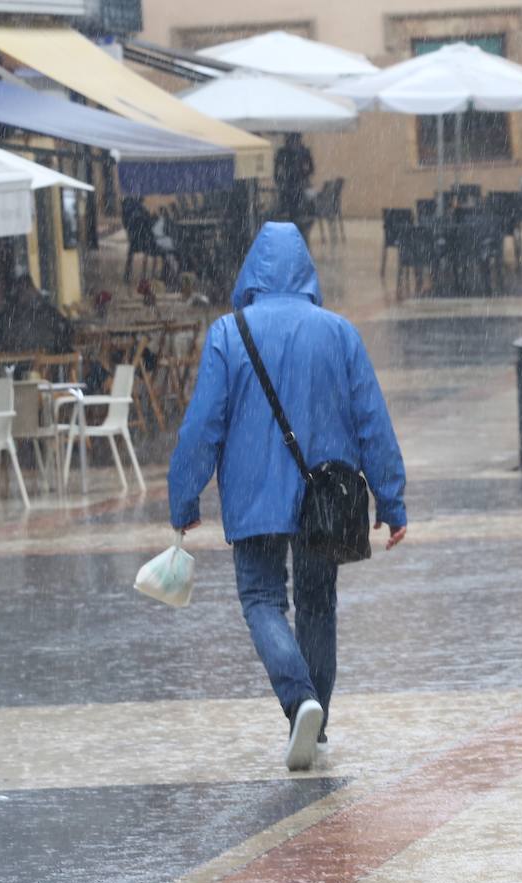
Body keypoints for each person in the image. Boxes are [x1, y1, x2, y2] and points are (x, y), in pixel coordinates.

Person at [168, 222, 408, 772]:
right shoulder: (339, 331)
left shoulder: (229, 333)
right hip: (327, 499)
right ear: (305, 272)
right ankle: (315, 717)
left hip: (253, 497)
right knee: (319, 605)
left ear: (252, 272)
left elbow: (202, 425)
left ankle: (298, 699)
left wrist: (184, 499)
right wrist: (391, 502)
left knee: (261, 601)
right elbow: (371, 419)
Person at [274, 134, 317, 238]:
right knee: (288, 210)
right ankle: (293, 230)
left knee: (296, 210)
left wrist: (302, 174)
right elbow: (276, 171)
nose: (292, 142)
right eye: (291, 140)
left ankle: (296, 229)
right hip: (288, 187)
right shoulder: (283, 153)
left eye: (294, 140)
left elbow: (311, 168)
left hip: (297, 187)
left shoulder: (303, 151)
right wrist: (281, 180)